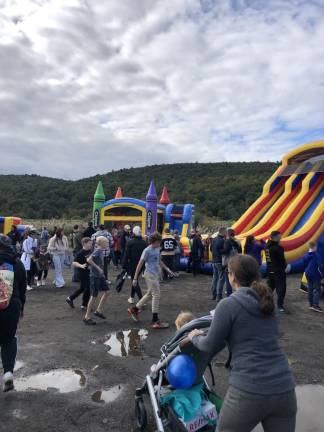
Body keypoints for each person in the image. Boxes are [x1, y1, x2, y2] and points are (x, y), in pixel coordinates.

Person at [188, 254, 296, 432]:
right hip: (284, 387)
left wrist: (194, 336)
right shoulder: (268, 302)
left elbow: (208, 345)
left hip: (249, 389)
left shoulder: (228, 304)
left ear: (232, 276)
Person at [128, 232, 174, 329]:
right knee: (156, 294)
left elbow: (159, 260)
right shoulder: (147, 250)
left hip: (155, 275)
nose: (160, 244)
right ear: (154, 241)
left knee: (150, 294)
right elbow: (140, 264)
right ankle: (155, 320)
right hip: (149, 275)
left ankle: (135, 309)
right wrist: (135, 278)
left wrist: (167, 270)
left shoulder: (157, 249)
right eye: (158, 242)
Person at [0, 235, 26, 392]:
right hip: (11, 305)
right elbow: (23, 288)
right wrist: (21, 306)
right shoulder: (17, 263)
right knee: (9, 338)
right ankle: (8, 372)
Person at [84, 236, 111, 325]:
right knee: (94, 296)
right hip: (94, 276)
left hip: (99, 276)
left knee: (107, 292)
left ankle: (98, 311)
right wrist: (98, 269)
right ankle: (87, 317)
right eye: (106, 243)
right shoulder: (98, 250)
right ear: (102, 243)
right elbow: (89, 260)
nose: (108, 244)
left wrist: (101, 273)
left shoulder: (101, 251)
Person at [265, 231, 290, 313]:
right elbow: (281, 260)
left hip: (269, 270)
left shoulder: (266, 246)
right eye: (280, 236)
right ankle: (280, 306)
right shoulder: (278, 248)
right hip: (278, 271)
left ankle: (265, 302)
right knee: (281, 288)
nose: (281, 238)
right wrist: (286, 267)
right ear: (276, 237)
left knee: (270, 287)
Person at [122, 226, 147, 304]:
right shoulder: (145, 243)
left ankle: (141, 300)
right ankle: (132, 298)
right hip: (142, 264)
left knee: (134, 281)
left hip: (133, 264)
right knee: (134, 280)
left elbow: (126, 255)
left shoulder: (130, 242)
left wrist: (124, 265)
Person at [66, 237, 92, 310]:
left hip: (89, 272)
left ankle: (70, 298)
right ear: (84, 244)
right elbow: (74, 262)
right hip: (82, 273)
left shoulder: (90, 251)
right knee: (87, 288)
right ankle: (84, 305)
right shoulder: (80, 253)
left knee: (82, 288)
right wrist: (81, 265)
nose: (91, 245)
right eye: (89, 243)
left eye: (91, 243)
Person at [303, 242, 323, 313]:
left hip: (308, 273)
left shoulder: (305, 255)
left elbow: (304, 264)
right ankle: (315, 305)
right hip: (315, 274)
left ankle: (311, 305)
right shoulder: (317, 255)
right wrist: (322, 275)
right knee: (318, 290)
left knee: (310, 289)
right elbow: (320, 266)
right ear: (314, 247)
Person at [223, 229, 242, 296]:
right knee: (236, 279)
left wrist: (219, 251)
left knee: (228, 279)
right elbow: (240, 252)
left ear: (228, 234)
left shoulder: (227, 241)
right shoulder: (237, 242)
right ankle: (237, 293)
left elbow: (226, 251)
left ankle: (229, 293)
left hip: (228, 263)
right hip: (236, 262)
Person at [211, 227, 226, 301]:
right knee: (221, 279)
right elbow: (224, 251)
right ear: (222, 232)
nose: (226, 233)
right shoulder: (222, 240)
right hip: (220, 261)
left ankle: (213, 295)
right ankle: (218, 295)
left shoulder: (213, 239)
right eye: (225, 232)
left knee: (215, 278)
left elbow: (211, 249)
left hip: (214, 261)